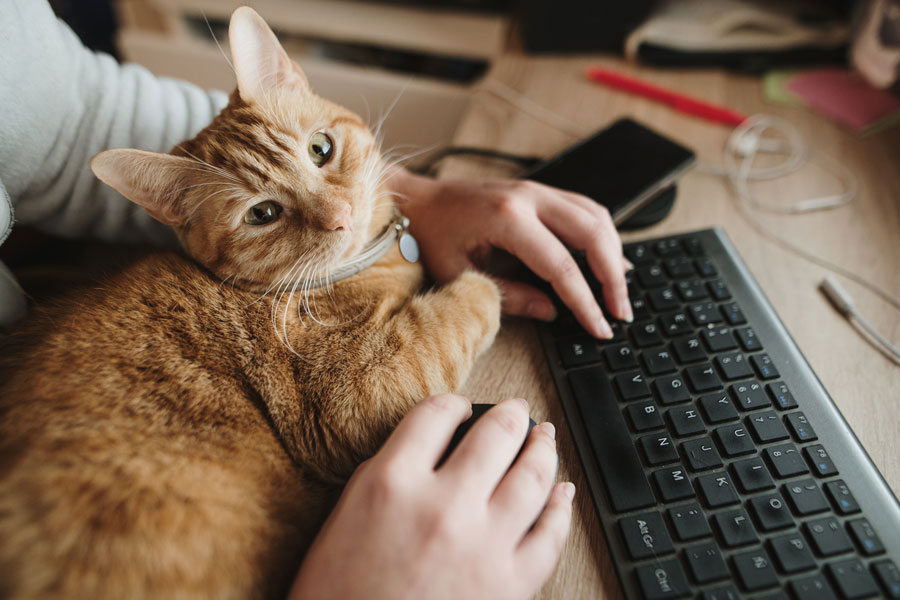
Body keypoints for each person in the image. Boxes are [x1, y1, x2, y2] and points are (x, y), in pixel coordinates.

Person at [0, 1, 631, 597]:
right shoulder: (279, 313)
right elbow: (361, 414)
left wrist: (420, 195)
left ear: (295, 81)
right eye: (264, 214)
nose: (336, 213)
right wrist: (477, 299)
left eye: (322, 150)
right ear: (181, 218)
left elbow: (69, 116)